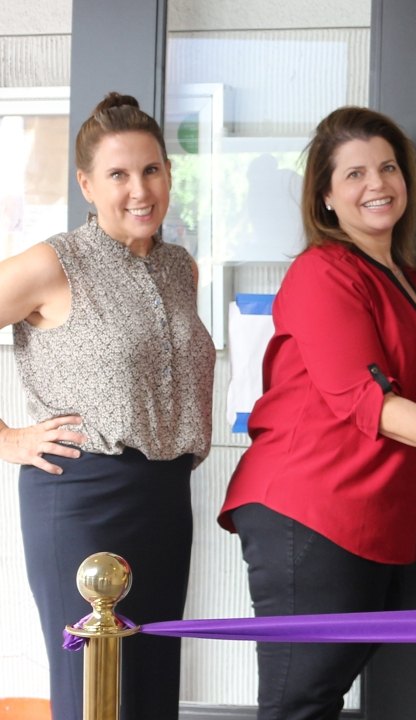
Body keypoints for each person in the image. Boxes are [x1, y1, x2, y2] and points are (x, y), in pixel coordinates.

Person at [217, 106, 416, 720]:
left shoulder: (407, 279)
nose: (377, 185)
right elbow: (371, 403)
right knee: (299, 700)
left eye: (387, 168)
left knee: (322, 691)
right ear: (327, 197)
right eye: (355, 174)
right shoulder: (321, 274)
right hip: (308, 507)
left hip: (370, 511)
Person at [0, 92, 214, 720]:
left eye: (151, 170)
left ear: (169, 175)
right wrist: (6, 439)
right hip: (83, 496)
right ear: (86, 184)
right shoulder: (52, 264)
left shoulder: (181, 268)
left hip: (165, 501)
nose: (139, 190)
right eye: (118, 174)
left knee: (150, 687)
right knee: (95, 691)